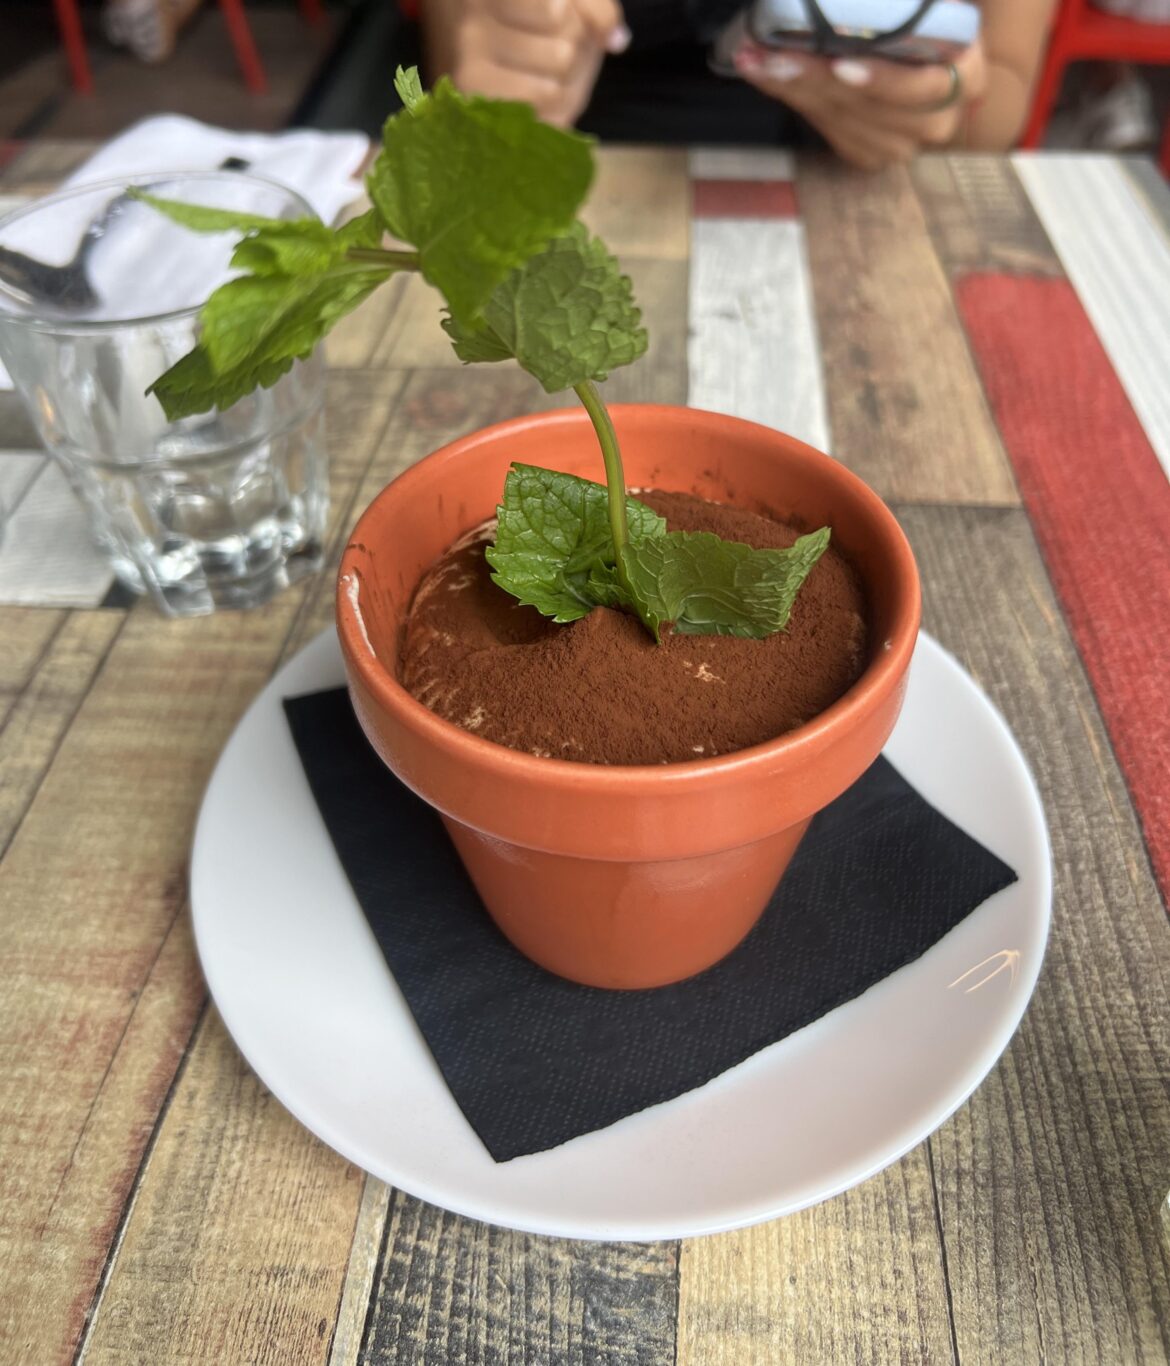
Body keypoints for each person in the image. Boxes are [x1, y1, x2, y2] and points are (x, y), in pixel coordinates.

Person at [419, 0, 1057, 168]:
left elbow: (1002, 83)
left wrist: (940, 107)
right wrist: (491, 43)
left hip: (853, 189)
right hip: (590, 166)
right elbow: (461, 53)